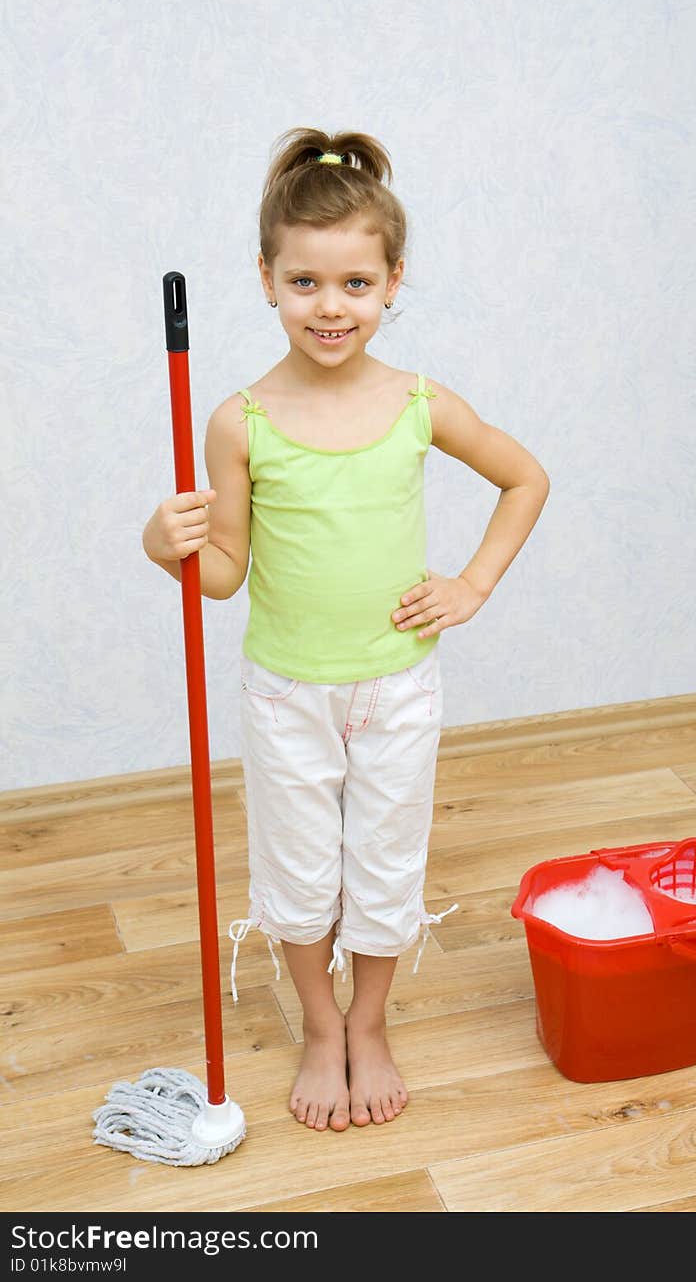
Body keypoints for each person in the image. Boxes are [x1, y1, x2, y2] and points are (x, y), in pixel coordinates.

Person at [142, 127, 550, 1133]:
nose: (331, 306)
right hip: (286, 690)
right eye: (306, 282)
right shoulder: (240, 420)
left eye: (356, 283)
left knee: (382, 865)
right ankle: (319, 1027)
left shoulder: (418, 402)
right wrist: (171, 549)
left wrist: (474, 584)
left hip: (397, 685)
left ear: (392, 280)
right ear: (268, 278)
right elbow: (228, 575)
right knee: (295, 873)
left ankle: (371, 1021)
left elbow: (523, 476)